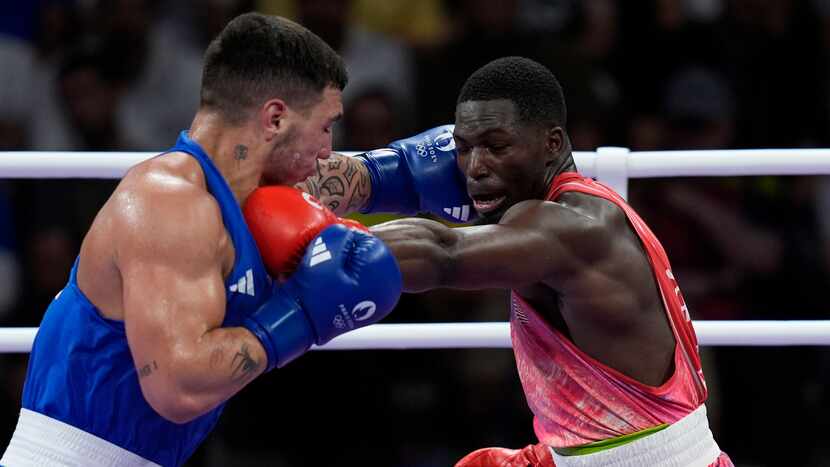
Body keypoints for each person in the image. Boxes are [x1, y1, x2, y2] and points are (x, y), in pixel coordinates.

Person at [1, 13, 401, 467]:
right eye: (326, 126)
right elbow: (178, 386)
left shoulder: (241, 197)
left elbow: (360, 186)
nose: (329, 148)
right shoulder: (169, 201)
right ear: (274, 118)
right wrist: (301, 314)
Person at [298, 56, 733, 466]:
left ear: (552, 143)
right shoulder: (562, 205)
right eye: (464, 148)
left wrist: (299, 240)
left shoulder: (571, 227)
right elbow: (424, 187)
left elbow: (443, 254)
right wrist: (355, 179)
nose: (475, 167)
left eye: (497, 146)